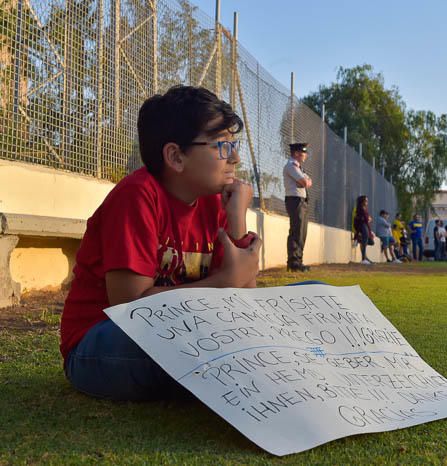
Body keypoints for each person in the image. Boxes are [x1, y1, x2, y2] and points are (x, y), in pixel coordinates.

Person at [59, 86, 261, 401]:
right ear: (176, 156)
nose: (234, 158)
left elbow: (243, 302)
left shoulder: (215, 202)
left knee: (311, 295)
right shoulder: (137, 196)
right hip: (101, 344)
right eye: (222, 145)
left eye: (234, 146)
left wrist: (237, 220)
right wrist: (223, 283)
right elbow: (130, 305)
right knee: (202, 344)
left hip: (182, 331)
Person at [283, 142, 313, 272]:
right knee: (297, 231)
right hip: (295, 200)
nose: (305, 155)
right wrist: (305, 182)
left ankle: (298, 261)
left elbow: (308, 182)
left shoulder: (299, 168)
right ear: (296, 153)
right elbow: (305, 182)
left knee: (302, 232)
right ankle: (294, 262)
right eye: (303, 152)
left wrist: (305, 182)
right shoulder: (291, 166)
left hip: (301, 200)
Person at [353, 195, 373, 265]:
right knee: (364, 242)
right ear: (362, 201)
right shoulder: (360, 209)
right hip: (362, 226)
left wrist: (368, 219)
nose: (367, 202)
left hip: (365, 226)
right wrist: (369, 219)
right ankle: (363, 259)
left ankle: (365, 258)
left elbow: (367, 218)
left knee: (367, 242)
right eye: (366, 200)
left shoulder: (364, 209)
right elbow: (366, 219)